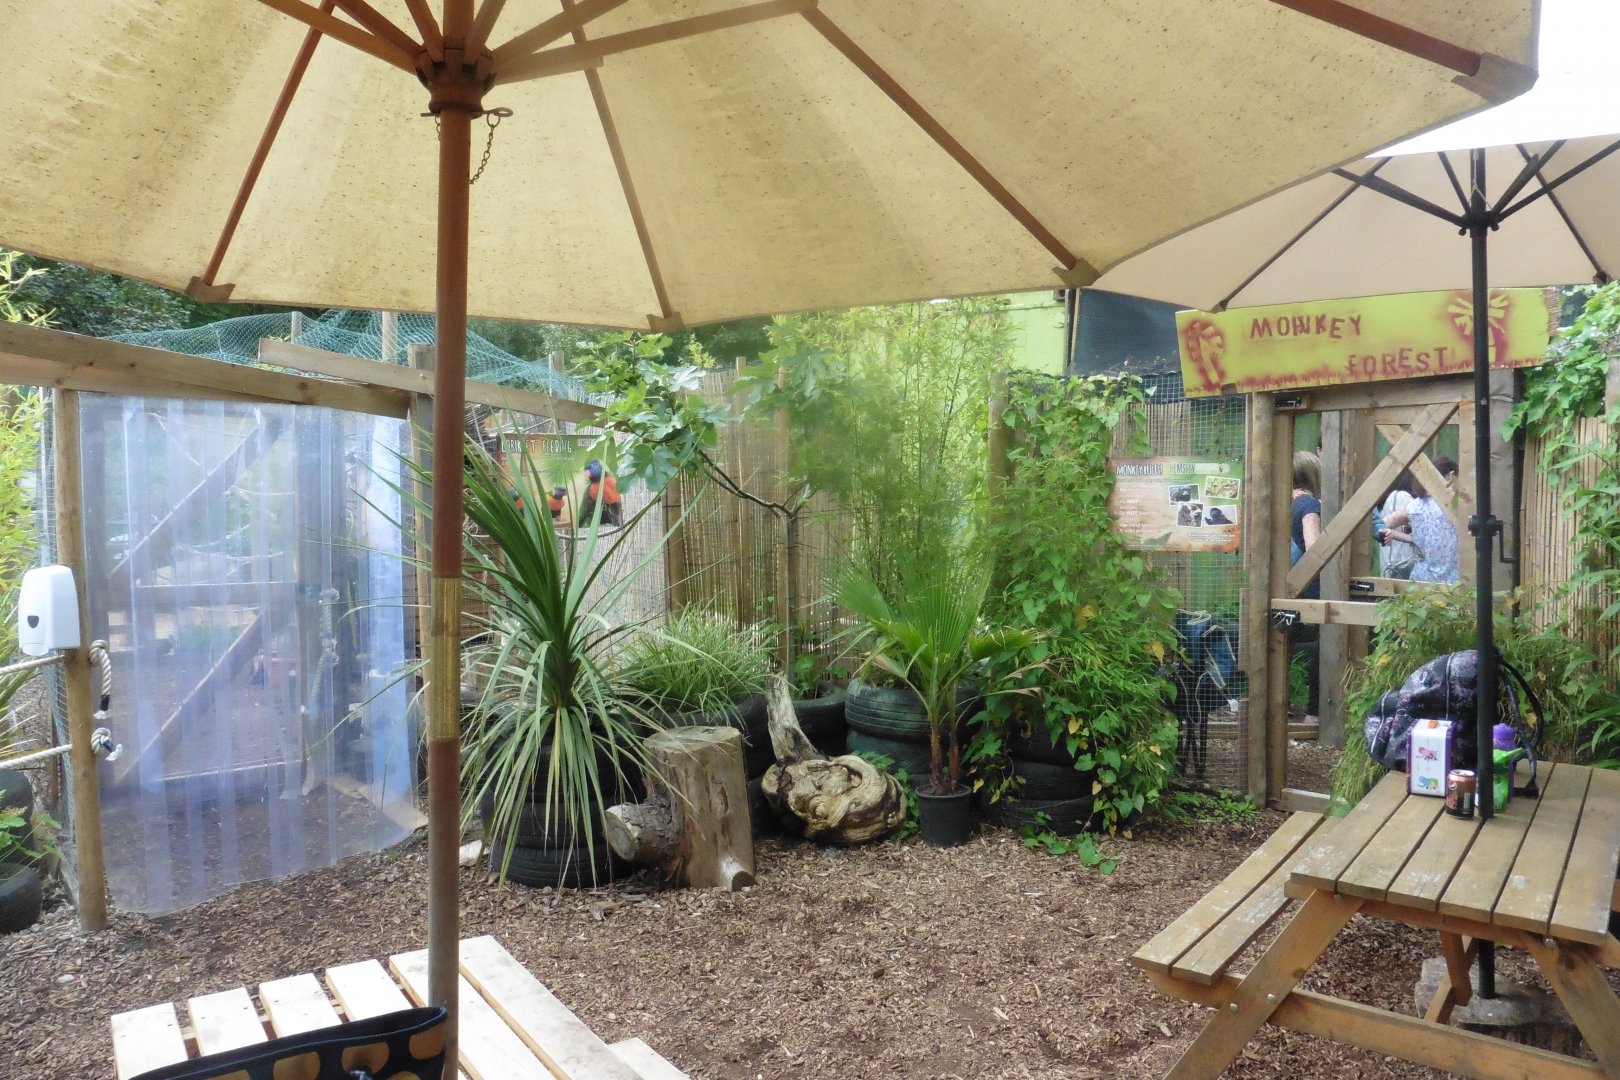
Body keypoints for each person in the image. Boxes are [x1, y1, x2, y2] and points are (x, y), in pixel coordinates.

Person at [1380, 456, 1460, 584]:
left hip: (1422, 581)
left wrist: (1412, 539)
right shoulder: (1459, 506)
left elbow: (1381, 524)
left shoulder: (1415, 506)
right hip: (1454, 580)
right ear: (1450, 476)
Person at [1289, 451, 1322, 725]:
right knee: (1325, 647)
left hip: (1287, 587)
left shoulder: (1284, 502)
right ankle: (1314, 714)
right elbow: (1314, 550)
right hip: (1313, 588)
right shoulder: (1309, 504)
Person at [1372, 470, 1418, 580]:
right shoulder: (1402, 497)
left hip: (1391, 567)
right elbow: (1384, 524)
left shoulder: (1392, 497)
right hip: (1401, 566)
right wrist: (1412, 538)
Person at [579, 459, 622, 526]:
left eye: (592, 468)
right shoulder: (591, 490)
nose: (587, 473)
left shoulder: (613, 483)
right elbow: (582, 515)